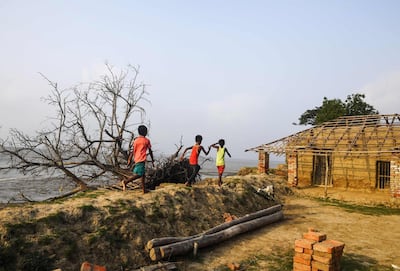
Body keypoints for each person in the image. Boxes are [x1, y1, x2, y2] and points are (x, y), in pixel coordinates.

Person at [122, 125, 154, 193]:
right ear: (145, 132)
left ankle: (144, 190)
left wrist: (129, 159)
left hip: (136, 158)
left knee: (143, 175)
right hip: (141, 159)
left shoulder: (136, 140)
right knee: (139, 174)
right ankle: (126, 182)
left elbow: (132, 151)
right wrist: (152, 159)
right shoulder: (146, 140)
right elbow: (150, 151)